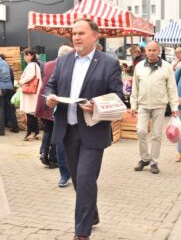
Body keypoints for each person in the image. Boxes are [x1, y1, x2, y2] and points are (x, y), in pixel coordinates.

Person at [45, 18, 123, 240]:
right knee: (79, 180)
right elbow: (51, 85)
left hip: (93, 130)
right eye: (74, 33)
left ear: (94, 36)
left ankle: (82, 233)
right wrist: (50, 97)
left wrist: (96, 104)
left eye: (81, 33)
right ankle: (92, 214)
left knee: (86, 179)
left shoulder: (108, 63)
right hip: (67, 130)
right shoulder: (64, 61)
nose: (76, 37)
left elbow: (118, 96)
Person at [131, 40, 179, 174]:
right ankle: (144, 158)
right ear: (145, 51)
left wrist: (174, 107)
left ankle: (154, 161)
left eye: (154, 50)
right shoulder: (139, 66)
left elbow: (172, 88)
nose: (151, 53)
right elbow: (135, 87)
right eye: (149, 50)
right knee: (141, 131)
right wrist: (133, 105)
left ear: (158, 51)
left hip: (159, 105)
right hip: (143, 105)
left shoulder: (167, 67)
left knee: (157, 135)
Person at [35, 45, 74, 171]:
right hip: (54, 101)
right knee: (55, 131)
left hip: (44, 100)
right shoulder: (65, 65)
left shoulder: (47, 64)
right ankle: (52, 158)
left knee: (48, 129)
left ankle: (43, 152)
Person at [19, 48, 42, 141]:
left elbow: (30, 76)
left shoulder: (32, 65)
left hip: (30, 93)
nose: (24, 57)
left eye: (26, 54)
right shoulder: (35, 64)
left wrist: (21, 81)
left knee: (29, 113)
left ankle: (29, 134)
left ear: (31, 56)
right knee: (32, 113)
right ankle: (36, 133)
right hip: (33, 92)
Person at [0, 54, 18, 133]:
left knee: (1, 109)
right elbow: (11, 76)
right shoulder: (5, 63)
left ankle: (1, 131)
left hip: (1, 88)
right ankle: (15, 128)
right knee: (10, 108)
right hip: (9, 87)